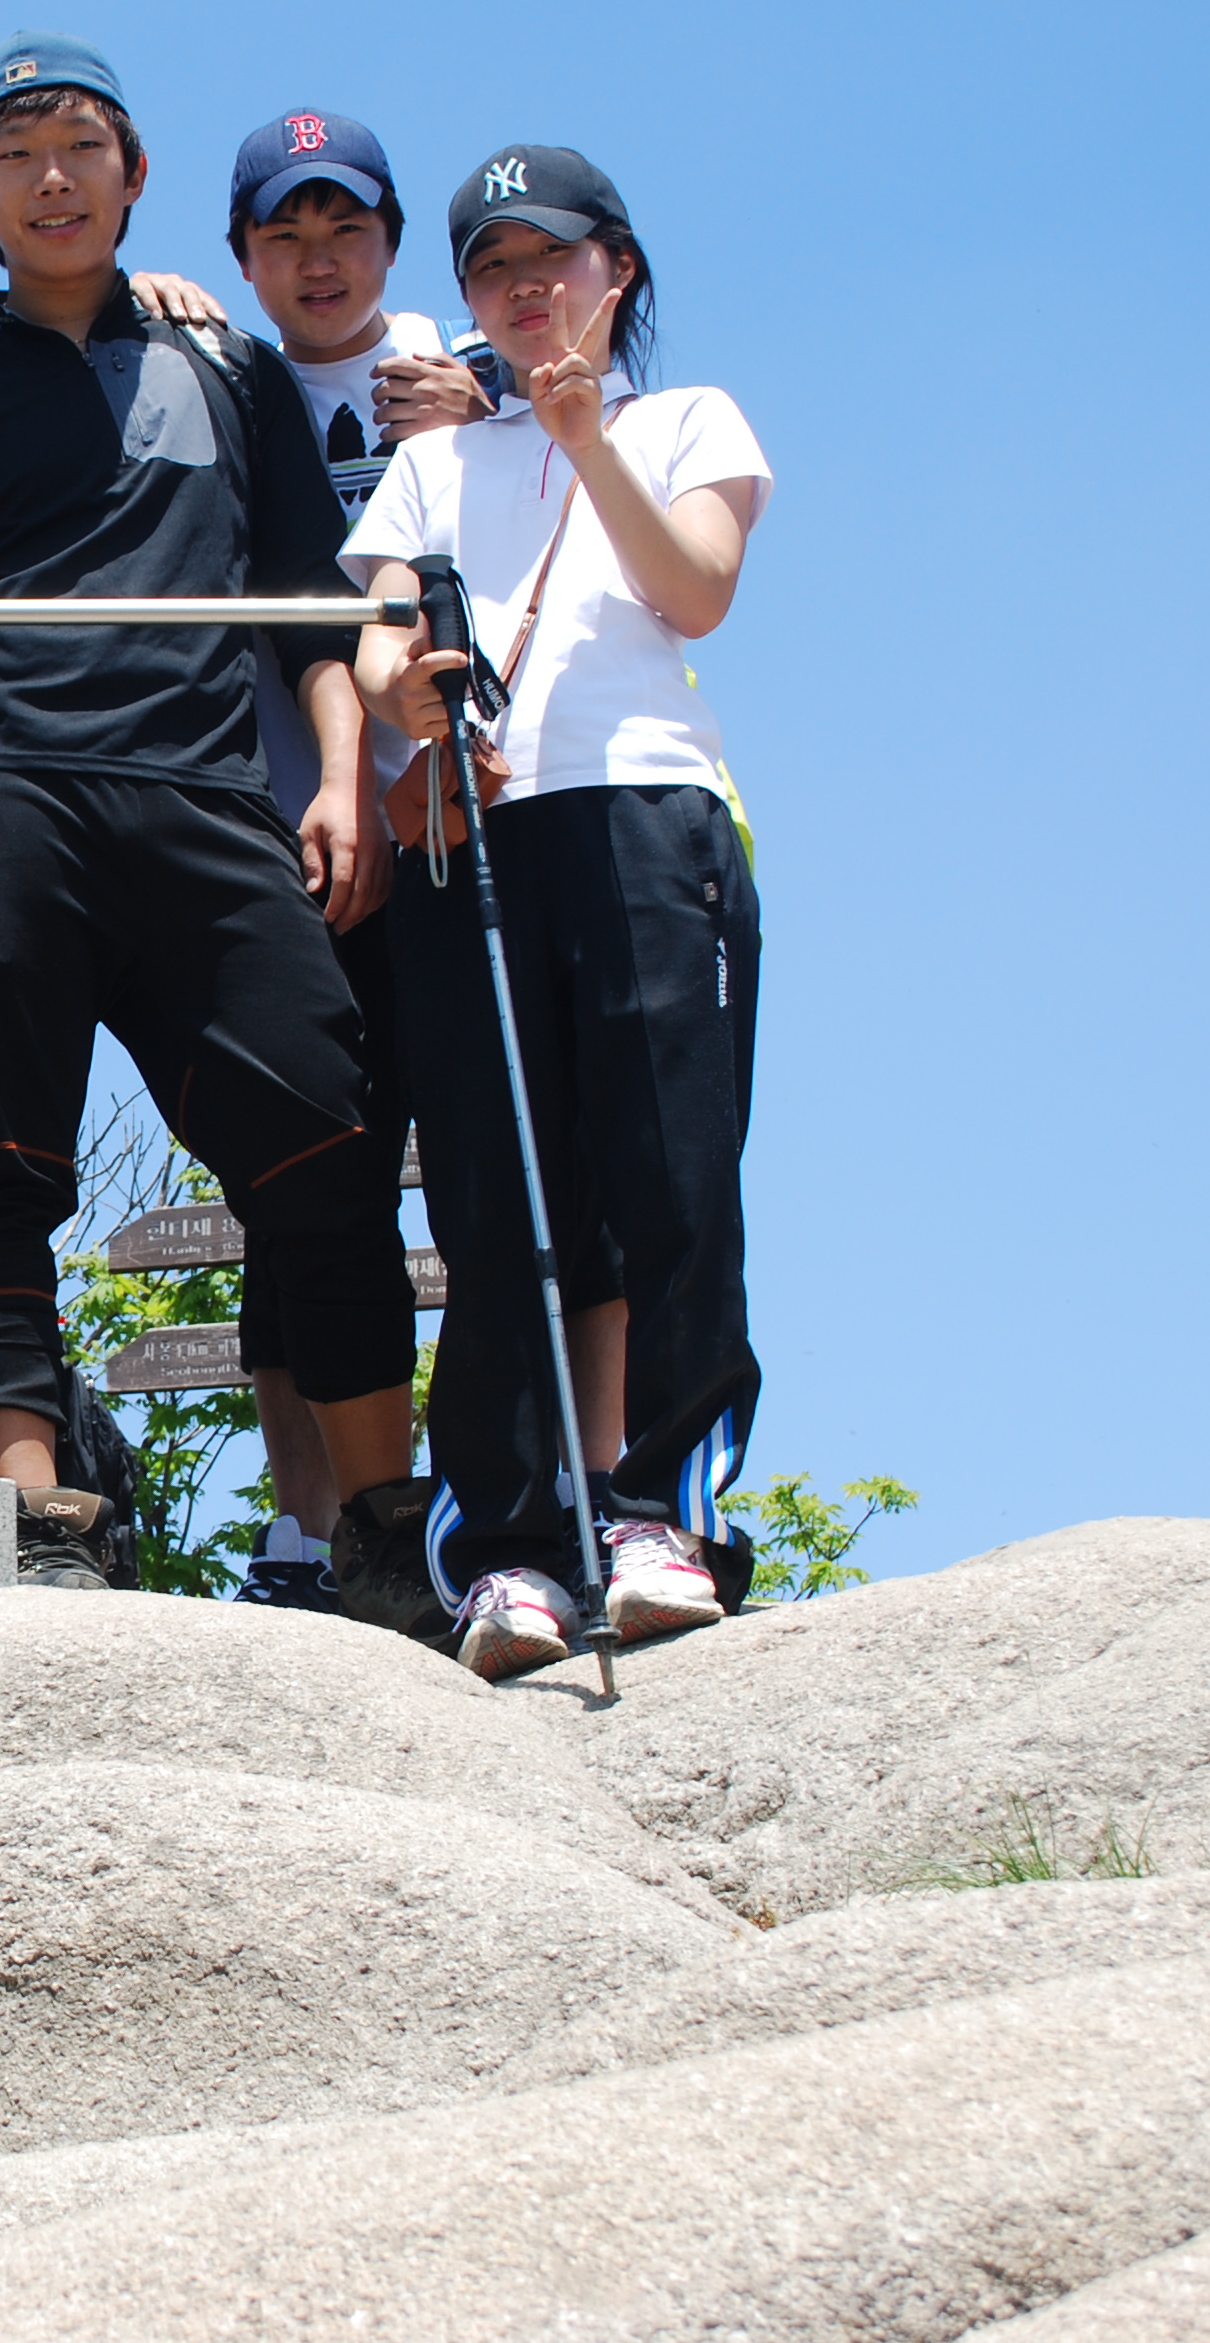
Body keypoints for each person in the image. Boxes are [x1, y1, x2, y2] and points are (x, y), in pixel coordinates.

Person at [0, 34, 407, 1587]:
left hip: (210, 797)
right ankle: (32, 1518)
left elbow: (308, 604)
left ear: (136, 173)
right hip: (2, 792)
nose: (53, 178)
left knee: (324, 1142)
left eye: (81, 146)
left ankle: (384, 1528)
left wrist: (342, 780)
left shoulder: (232, 370)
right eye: (14, 155)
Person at [346, 143, 772, 1681]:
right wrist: (409, 693)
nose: (525, 290)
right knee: (491, 1201)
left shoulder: (688, 418)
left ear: (618, 267)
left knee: (671, 1180)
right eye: (493, 269)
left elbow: (695, 587)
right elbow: (379, 642)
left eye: (553, 260)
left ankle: (663, 1514)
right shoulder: (432, 466)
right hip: (483, 831)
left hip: (652, 813)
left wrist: (587, 440)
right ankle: (512, 1546)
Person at [212, 109, 495, 1621]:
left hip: (464, 830)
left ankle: (493, 1499)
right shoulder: (215, 382)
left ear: (392, 242)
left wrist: (484, 421)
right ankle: (312, 1528)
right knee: (304, 1189)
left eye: (346, 230)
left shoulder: (480, 368)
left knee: (489, 1179)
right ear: (242, 257)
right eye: (284, 235)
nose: (318, 262)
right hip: (283, 835)